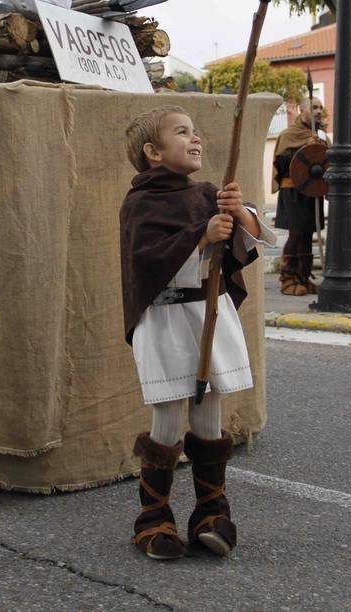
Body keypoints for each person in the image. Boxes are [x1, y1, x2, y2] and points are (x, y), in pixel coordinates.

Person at [120, 105, 275, 561]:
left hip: (208, 313)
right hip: (166, 320)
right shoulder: (139, 203)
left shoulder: (208, 193)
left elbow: (252, 235)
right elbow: (148, 260)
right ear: (153, 151)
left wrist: (236, 214)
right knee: (168, 415)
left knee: (209, 411)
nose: (196, 139)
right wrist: (202, 235)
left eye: (196, 132)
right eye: (182, 132)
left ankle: (211, 512)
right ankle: (154, 516)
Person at [272, 97, 329, 296]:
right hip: (293, 190)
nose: (318, 111)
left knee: (307, 234)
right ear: (301, 110)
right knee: (296, 234)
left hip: (312, 190)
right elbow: (282, 163)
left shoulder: (320, 134)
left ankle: (304, 277)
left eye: (320, 107)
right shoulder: (289, 134)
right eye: (313, 107)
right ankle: (288, 279)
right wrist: (305, 148)